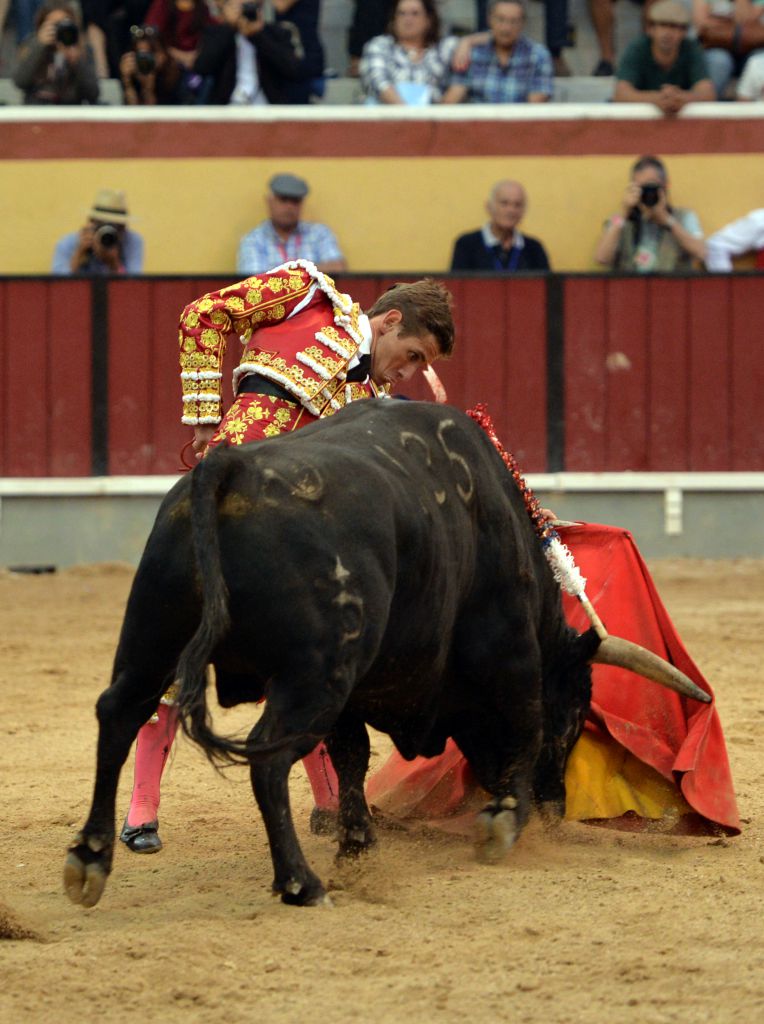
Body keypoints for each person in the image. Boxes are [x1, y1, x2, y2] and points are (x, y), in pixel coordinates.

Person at [120, 258, 456, 853]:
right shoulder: (307, 295)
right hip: (222, 505)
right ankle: (142, 810)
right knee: (175, 649)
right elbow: (203, 315)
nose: (409, 373)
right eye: (413, 355)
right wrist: (202, 422)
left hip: (295, 540)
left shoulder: (371, 403)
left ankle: (331, 804)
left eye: (420, 366)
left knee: (307, 661)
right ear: (391, 321)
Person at [594, 154, 705, 272]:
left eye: (651, 187)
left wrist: (668, 220)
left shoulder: (684, 217)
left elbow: (702, 253)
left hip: (671, 288)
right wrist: (623, 213)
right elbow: (601, 258)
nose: (647, 193)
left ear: (665, 186)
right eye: (641, 188)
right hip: (631, 288)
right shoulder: (620, 219)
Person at [359, 0, 481, 105]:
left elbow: (494, 36)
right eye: (401, 13)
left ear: (429, 20)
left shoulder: (445, 47)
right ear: (393, 19)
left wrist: (467, 41)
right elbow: (379, 82)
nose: (407, 19)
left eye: (415, 14)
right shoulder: (380, 45)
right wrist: (411, 119)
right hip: (388, 122)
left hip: (436, 124)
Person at [193, 0, 310, 104]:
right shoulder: (215, 33)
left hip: (267, 106)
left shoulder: (277, 32)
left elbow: (294, 70)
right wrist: (230, 28)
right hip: (228, 107)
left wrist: (258, 36)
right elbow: (202, 67)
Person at [613, 0, 715, 114]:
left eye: (674, 27)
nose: (667, 33)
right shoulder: (637, 48)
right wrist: (657, 99)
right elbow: (620, 94)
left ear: (684, 32)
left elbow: (707, 93)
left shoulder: (691, 48)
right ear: (650, 29)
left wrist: (680, 98)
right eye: (662, 25)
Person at [444, 0, 554, 104]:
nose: (506, 28)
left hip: (519, 121)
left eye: (514, 21)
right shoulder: (472, 53)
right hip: (479, 121)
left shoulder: (538, 56)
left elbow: (535, 108)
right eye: (500, 19)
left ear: (523, 24)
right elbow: (453, 96)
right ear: (489, 19)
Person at [236, 172, 346, 275]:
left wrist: (284, 274)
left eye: (295, 201)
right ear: (269, 201)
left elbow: (337, 268)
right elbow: (253, 283)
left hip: (315, 296)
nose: (289, 207)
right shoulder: (253, 240)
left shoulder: (319, 233)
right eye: (283, 200)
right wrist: (308, 272)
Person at [450, 179, 550, 271]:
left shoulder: (534, 248)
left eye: (517, 205)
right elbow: (457, 287)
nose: (511, 210)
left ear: (523, 211)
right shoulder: (466, 245)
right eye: (504, 203)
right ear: (489, 207)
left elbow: (546, 288)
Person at [13, 0, 100, 105]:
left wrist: (77, 62)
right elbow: (20, 82)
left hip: (70, 113)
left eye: (64, 24)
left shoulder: (82, 49)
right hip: (36, 111)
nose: (59, 30)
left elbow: (93, 93)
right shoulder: (32, 44)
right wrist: (38, 46)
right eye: (54, 26)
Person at [51, 187, 144, 275]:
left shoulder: (131, 241)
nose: (107, 230)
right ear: (91, 222)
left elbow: (133, 288)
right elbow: (58, 287)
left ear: (124, 227)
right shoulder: (69, 242)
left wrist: (114, 264)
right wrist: (79, 253)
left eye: (115, 226)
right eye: (101, 224)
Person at [693, 0, 764, 100]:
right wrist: (733, 22)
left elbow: (746, 19)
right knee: (719, 61)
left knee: (758, 60)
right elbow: (702, 23)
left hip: (750, 47)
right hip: (716, 46)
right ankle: (709, 110)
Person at [119, 22, 181, 104]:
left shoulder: (178, 79)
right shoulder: (133, 77)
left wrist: (149, 91)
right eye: (140, 55)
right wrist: (127, 84)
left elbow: (157, 115)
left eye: (150, 53)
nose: (145, 60)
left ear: (164, 53)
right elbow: (132, 114)